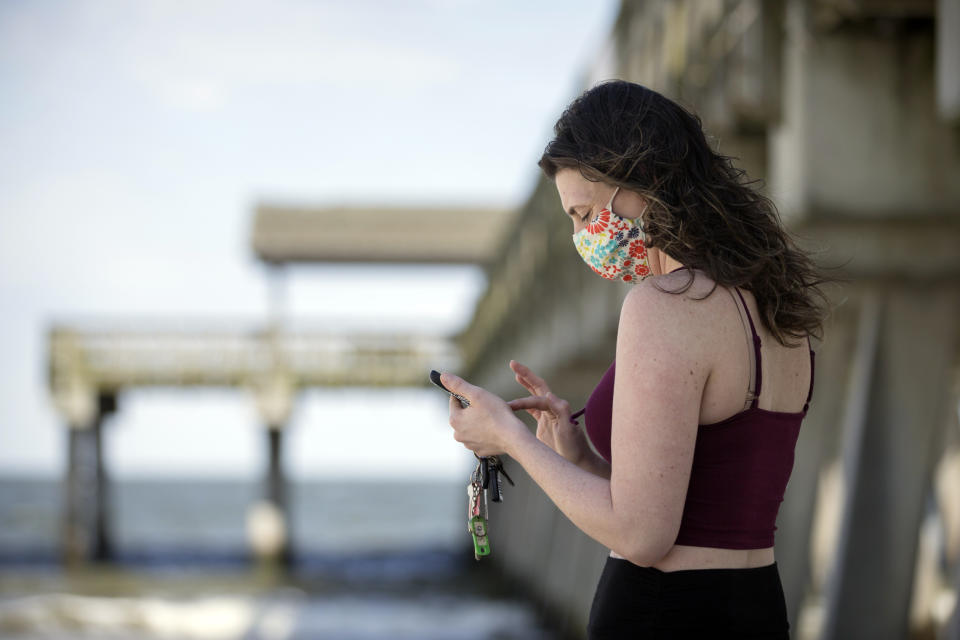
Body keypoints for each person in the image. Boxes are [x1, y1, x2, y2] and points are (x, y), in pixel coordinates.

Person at [440, 79, 829, 638]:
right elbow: (706, 507)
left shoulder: (664, 304)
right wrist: (580, 462)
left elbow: (644, 537)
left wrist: (509, 438)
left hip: (663, 613)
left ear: (641, 184)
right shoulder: (772, 306)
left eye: (583, 213)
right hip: (757, 607)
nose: (581, 236)